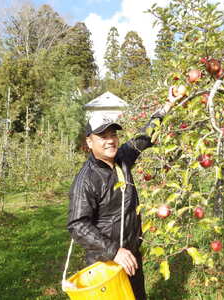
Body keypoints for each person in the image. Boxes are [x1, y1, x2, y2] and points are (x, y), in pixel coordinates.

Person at [67, 88, 182, 300]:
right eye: (102, 135)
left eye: (113, 134)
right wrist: (114, 251)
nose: (110, 140)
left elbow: (145, 137)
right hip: (106, 261)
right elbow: (78, 225)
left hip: (130, 255)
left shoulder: (122, 159)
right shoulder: (87, 180)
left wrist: (168, 105)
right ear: (89, 142)